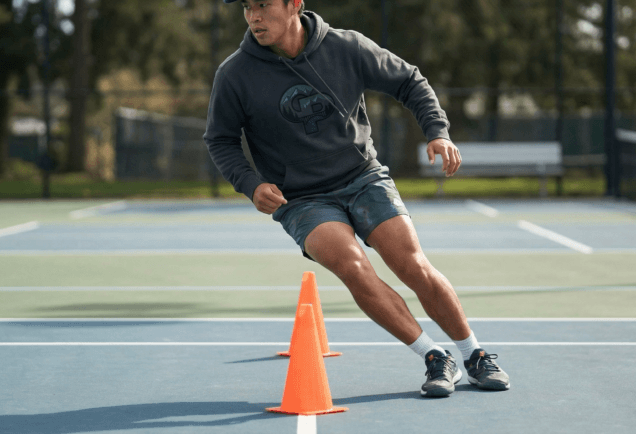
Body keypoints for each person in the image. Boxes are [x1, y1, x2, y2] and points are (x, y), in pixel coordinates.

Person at [204, 0, 509, 398]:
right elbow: (220, 139)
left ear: (294, 3)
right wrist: (250, 183)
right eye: (247, 7)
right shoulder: (234, 74)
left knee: (412, 264)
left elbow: (410, 81)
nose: (253, 16)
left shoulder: (346, 47)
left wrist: (437, 131)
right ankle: (435, 356)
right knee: (353, 266)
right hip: (301, 198)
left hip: (363, 177)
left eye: (263, 4)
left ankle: (474, 354)